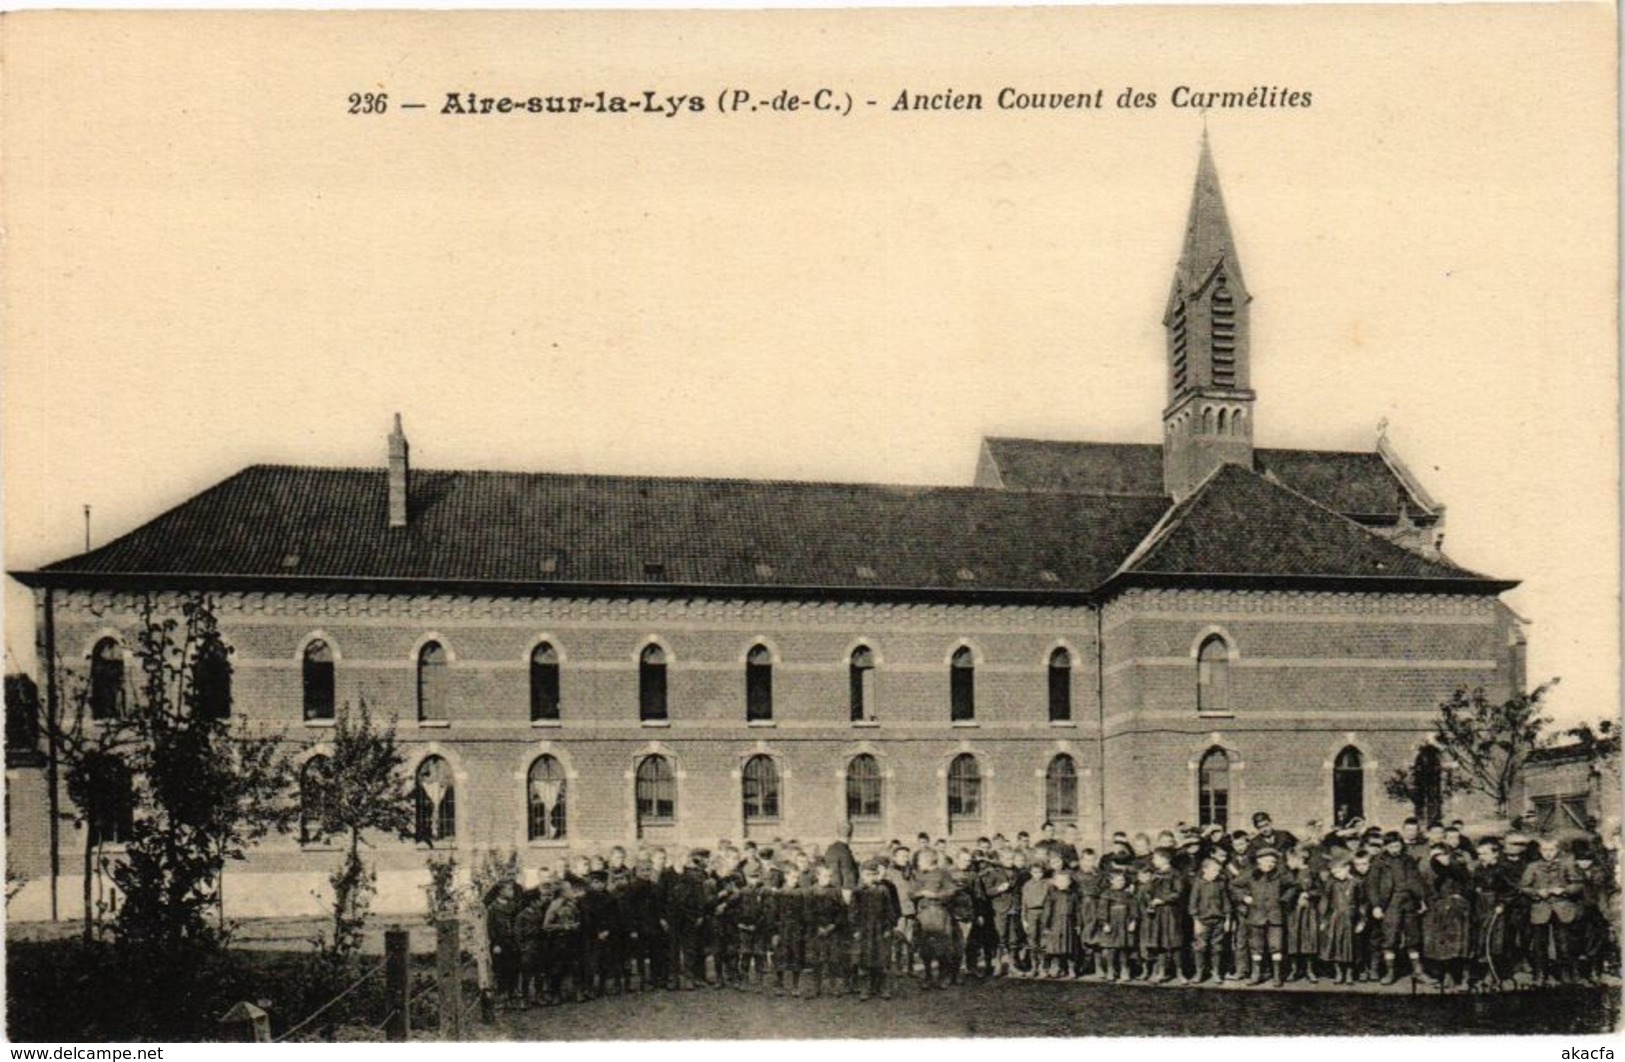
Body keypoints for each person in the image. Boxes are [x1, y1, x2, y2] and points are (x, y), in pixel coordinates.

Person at [1370, 831, 1430, 985]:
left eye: (1397, 845)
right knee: (1390, 939)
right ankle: (1390, 972)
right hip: (1390, 904)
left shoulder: (1408, 860)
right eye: (1391, 846)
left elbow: (1417, 881)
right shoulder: (1379, 861)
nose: (1395, 849)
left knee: (1413, 937)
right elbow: (1372, 886)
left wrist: (1421, 900)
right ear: (1386, 846)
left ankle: (1418, 971)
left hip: (1409, 902)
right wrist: (1376, 906)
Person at [1521, 836, 1583, 985]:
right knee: (1539, 944)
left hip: (1562, 908)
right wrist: (1536, 892)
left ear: (1557, 850)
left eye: (1551, 850)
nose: (1548, 853)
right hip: (1541, 908)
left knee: (1564, 943)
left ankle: (1565, 973)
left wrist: (1563, 890)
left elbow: (1578, 884)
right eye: (1544, 850)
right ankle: (1540, 974)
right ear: (1540, 851)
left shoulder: (1566, 864)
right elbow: (1523, 887)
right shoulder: (1533, 866)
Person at [1422, 842, 1474, 987]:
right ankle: (1447, 975)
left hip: (1459, 911)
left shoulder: (1459, 868)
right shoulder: (1431, 871)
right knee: (1443, 945)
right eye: (1434, 856)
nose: (1438, 859)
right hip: (1440, 911)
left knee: (1462, 944)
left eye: (1441, 855)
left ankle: (1465, 977)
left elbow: (1469, 886)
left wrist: (1460, 897)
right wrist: (1435, 903)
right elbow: (1428, 891)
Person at [1238, 846, 1290, 986]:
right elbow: (1234, 886)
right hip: (1256, 916)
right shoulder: (1250, 875)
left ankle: (1277, 976)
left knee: (1276, 946)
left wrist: (1284, 899)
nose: (1270, 864)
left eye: (1273, 861)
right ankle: (1256, 975)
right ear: (1259, 861)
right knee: (1256, 946)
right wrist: (1244, 897)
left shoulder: (1280, 875)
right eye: (1266, 861)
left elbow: (1293, 886)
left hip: (1275, 916)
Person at [851, 859, 901, 1000]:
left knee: (882, 959)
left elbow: (889, 910)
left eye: (873, 874)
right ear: (862, 875)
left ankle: (883, 988)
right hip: (864, 930)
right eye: (867, 874)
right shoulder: (858, 891)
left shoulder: (883, 890)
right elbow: (853, 912)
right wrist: (856, 929)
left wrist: (888, 927)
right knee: (864, 960)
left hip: (880, 929)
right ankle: (865, 989)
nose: (870, 878)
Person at [911, 848, 959, 990]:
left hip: (938, 913)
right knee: (925, 947)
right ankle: (927, 976)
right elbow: (911, 893)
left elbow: (952, 891)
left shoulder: (943, 874)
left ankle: (943, 977)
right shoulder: (919, 875)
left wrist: (936, 895)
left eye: (919, 860)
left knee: (942, 947)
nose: (918, 863)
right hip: (923, 914)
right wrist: (920, 893)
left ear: (928, 860)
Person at [1317, 851, 1365, 985]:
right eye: (1333, 873)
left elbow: (1362, 903)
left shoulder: (1357, 882)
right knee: (1336, 946)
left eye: (1338, 872)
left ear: (1347, 868)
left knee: (1350, 947)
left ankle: (1350, 974)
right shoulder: (1332, 884)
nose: (1336, 875)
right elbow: (1325, 901)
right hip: (1335, 918)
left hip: (1351, 919)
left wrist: (1362, 921)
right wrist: (1323, 920)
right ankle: (1338, 973)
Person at [1143, 847, 1187, 983]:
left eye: (1155, 858)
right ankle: (1161, 971)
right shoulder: (1155, 874)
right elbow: (1148, 891)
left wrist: (1162, 900)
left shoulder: (1176, 874)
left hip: (1171, 913)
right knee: (1160, 942)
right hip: (1157, 914)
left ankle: (1180, 973)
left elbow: (1178, 893)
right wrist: (1149, 899)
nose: (1153, 861)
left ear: (1164, 859)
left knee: (1175, 942)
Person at [1187, 856, 1231, 983]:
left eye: (1218, 871)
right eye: (1214, 871)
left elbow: (1226, 902)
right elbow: (1193, 904)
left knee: (1217, 947)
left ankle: (1215, 972)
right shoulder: (1198, 884)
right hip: (1202, 921)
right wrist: (1196, 921)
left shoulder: (1220, 884)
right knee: (1200, 947)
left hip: (1218, 920)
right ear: (1205, 870)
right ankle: (1199, 972)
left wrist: (1228, 919)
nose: (1216, 873)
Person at [807, 864, 848, 998]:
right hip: (816, 931)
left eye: (830, 876)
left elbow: (842, 911)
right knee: (816, 959)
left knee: (834, 959)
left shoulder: (836, 891)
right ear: (817, 876)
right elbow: (807, 912)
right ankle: (815, 987)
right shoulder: (811, 891)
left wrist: (833, 925)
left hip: (833, 931)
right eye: (825, 876)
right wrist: (817, 926)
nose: (828, 878)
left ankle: (833, 987)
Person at [485, 877, 525, 1005]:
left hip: (513, 942)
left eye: (512, 889)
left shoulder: (514, 906)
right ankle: (503, 996)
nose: (512, 891)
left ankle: (513, 994)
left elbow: (518, 924)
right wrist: (496, 943)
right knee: (501, 969)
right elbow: (491, 928)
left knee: (514, 967)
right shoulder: (493, 908)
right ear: (500, 891)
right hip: (500, 943)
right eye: (509, 889)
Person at [774, 856, 809, 997]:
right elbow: (774, 915)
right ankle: (779, 984)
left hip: (797, 931)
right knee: (780, 957)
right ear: (786, 876)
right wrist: (774, 933)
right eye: (793, 877)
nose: (796, 880)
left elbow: (806, 914)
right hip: (782, 930)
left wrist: (805, 930)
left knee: (796, 957)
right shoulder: (779, 893)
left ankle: (795, 986)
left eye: (797, 877)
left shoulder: (801, 893)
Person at [1284, 847, 1320, 983]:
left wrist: (1308, 894)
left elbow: (1320, 890)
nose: (1288, 862)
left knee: (1309, 939)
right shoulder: (1288, 874)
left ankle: (1309, 970)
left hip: (1308, 911)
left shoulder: (1312, 873)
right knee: (1293, 939)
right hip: (1292, 911)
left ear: (1299, 859)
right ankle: (1294, 970)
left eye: (1290, 860)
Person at [1039, 863, 1080, 978]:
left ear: (1069, 882)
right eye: (1059, 881)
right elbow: (1047, 911)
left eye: (1065, 881)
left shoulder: (1073, 895)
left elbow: (1077, 910)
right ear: (1055, 882)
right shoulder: (1052, 895)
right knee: (1054, 947)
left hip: (1069, 924)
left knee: (1069, 947)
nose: (1062, 883)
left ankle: (1071, 968)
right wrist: (1046, 926)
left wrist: (1078, 924)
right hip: (1055, 923)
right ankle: (1054, 967)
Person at [1097, 863, 1135, 982]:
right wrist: (1105, 923)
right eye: (1118, 880)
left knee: (1123, 948)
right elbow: (1102, 910)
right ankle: (1110, 970)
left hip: (1124, 923)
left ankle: (1124, 969)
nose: (1121, 882)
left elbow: (1133, 909)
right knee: (1111, 949)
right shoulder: (1106, 894)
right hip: (1112, 923)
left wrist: (1133, 921)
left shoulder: (1128, 894)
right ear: (1111, 881)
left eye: (1122, 880)